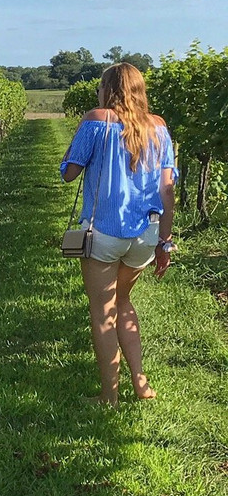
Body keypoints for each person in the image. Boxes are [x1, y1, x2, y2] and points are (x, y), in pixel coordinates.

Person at [60, 62, 177, 405]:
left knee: (102, 312)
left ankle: (109, 396)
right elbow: (167, 190)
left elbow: (69, 173)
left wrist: (77, 140)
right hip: (146, 234)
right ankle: (141, 384)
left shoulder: (97, 119)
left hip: (104, 232)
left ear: (107, 89)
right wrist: (165, 242)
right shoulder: (159, 127)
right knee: (124, 302)